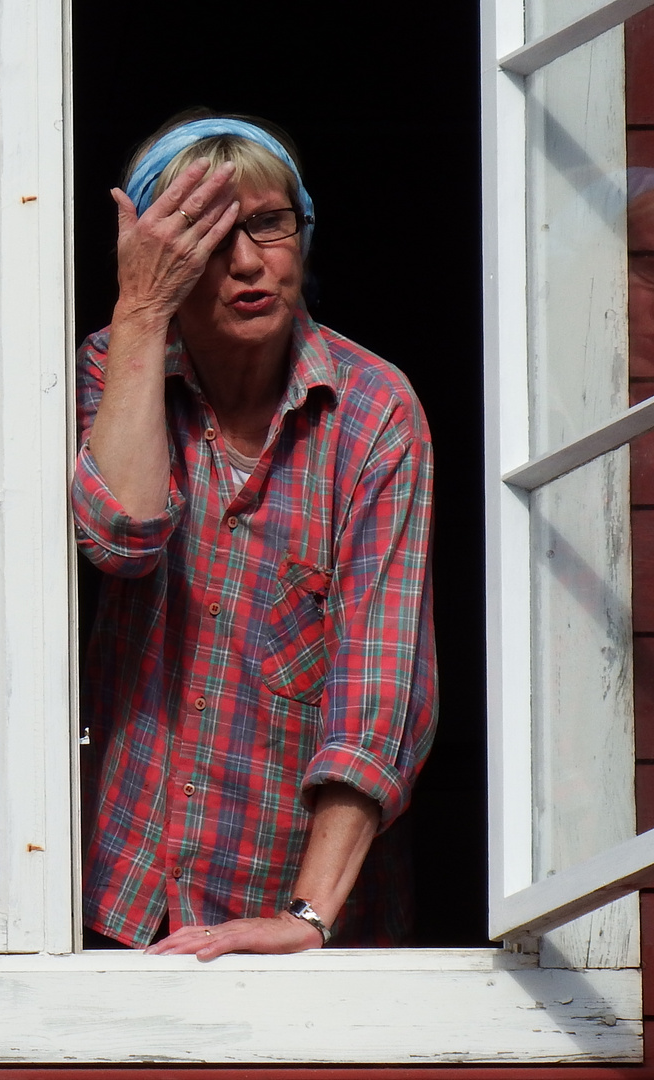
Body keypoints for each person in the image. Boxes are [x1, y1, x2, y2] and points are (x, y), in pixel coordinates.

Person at [73, 111, 438, 957]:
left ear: (303, 234)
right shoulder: (107, 365)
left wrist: (305, 918)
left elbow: (379, 688)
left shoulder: (374, 411)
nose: (246, 262)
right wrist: (141, 311)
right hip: (120, 892)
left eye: (268, 226)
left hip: (304, 905)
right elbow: (122, 536)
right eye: (205, 234)